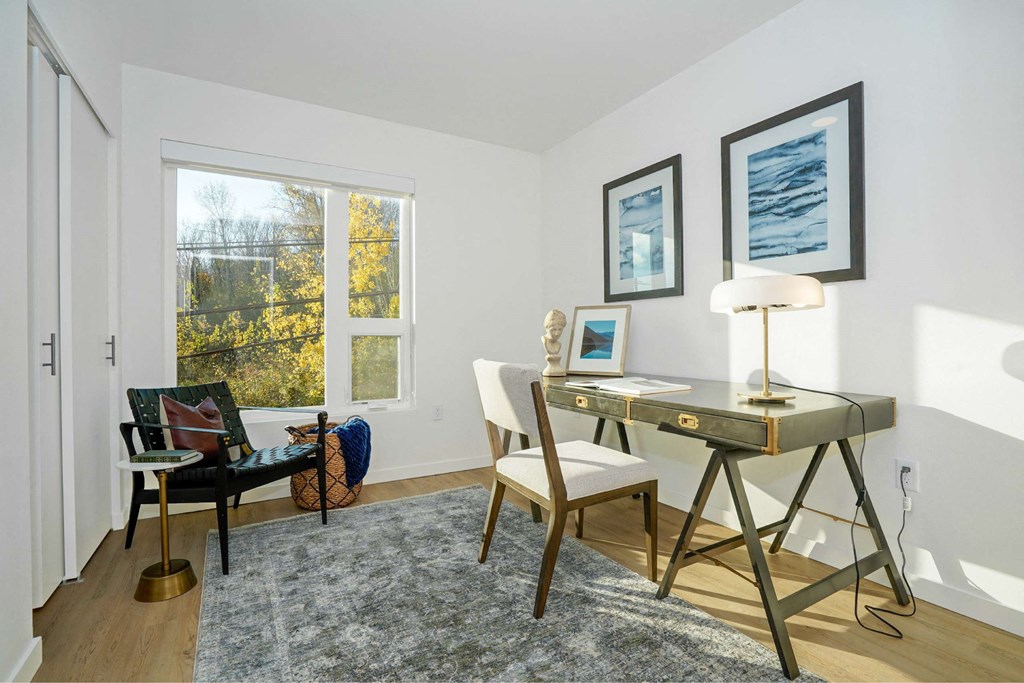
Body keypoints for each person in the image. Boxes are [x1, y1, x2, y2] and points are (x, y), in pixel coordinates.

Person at [542, 309, 567, 376]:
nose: (557, 333)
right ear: (546, 328)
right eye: (553, 330)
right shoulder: (545, 341)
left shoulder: (558, 344)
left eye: (560, 329)